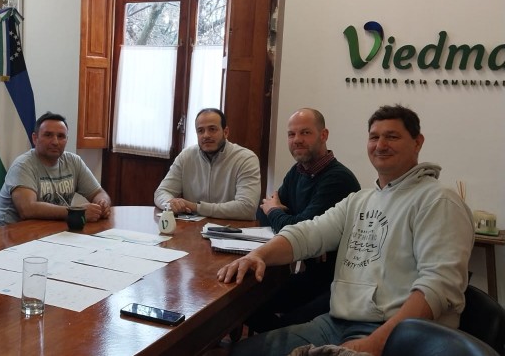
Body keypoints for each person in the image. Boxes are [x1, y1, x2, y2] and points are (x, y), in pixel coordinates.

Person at [217, 105, 475, 356]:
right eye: (374, 137)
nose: (380, 145)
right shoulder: (360, 200)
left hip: (398, 335)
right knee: (238, 352)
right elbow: (309, 232)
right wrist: (258, 255)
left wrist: (374, 344)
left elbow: (438, 286)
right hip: (335, 323)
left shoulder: (439, 201)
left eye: (392, 136)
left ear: (418, 142)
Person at [247, 108, 361, 332]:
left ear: (324, 135)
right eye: (291, 134)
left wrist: (277, 212)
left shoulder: (337, 179)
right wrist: (280, 214)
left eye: (305, 133)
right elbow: (263, 214)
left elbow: (299, 229)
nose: (297, 140)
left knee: (282, 325)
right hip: (312, 274)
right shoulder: (298, 172)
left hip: (337, 284)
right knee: (246, 305)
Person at [0, 112, 112, 227]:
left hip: (47, 229)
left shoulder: (74, 161)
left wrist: (102, 204)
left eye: (61, 136)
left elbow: (98, 193)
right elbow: (27, 209)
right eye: (48, 135)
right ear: (35, 138)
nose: (55, 142)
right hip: (10, 231)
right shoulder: (23, 165)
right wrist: (76, 212)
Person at [154, 108, 260, 220]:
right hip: (193, 227)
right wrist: (170, 203)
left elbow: (247, 207)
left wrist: (196, 207)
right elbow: (162, 192)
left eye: (212, 129)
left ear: (225, 132)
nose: (206, 135)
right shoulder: (186, 156)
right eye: (200, 131)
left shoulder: (246, 159)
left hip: (232, 228)